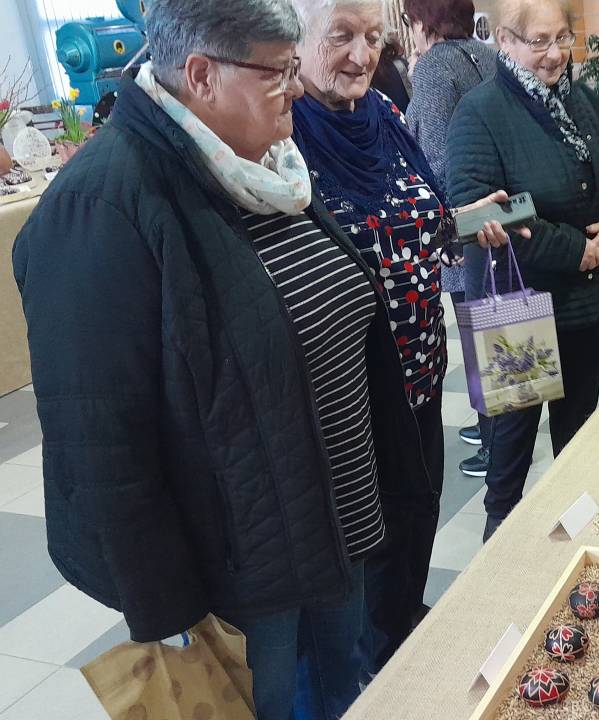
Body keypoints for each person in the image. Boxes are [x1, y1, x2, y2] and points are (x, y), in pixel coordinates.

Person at [12, 0, 449, 716]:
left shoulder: (267, 166)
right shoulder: (102, 203)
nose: (298, 87)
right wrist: (168, 610)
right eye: (277, 72)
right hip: (241, 572)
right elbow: (101, 444)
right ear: (201, 75)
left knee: (338, 695)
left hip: (331, 529)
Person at [288, 0, 518, 683]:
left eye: (372, 36)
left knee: (414, 519)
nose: (362, 55)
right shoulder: (283, 141)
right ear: (295, 40)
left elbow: (419, 221)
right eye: (341, 36)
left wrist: (464, 219)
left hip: (418, 372)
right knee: (363, 552)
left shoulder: (383, 115)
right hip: (348, 397)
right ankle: (368, 678)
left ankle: (398, 650)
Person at [448, 0, 599, 541]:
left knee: (577, 452)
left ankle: (574, 562)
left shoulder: (583, 100)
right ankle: (500, 569)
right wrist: (574, 249)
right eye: (538, 41)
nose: (555, 54)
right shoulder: (480, 113)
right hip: (516, 317)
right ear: (504, 40)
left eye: (562, 38)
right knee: (508, 463)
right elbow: (480, 213)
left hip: (585, 308)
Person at [402, 0, 499, 479]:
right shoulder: (487, 54)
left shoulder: (434, 69)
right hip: (497, 209)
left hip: (462, 224)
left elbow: (437, 159)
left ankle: (496, 444)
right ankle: (495, 430)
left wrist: (447, 230)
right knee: (494, 324)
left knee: (477, 331)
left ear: (422, 22)